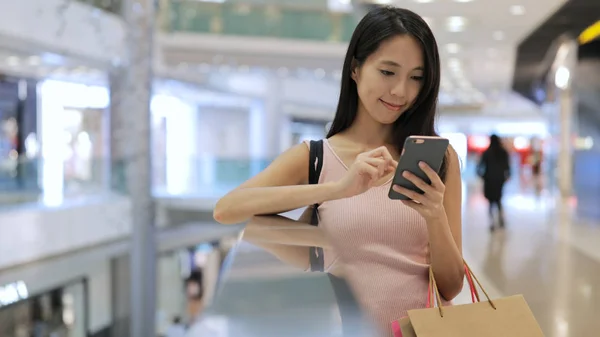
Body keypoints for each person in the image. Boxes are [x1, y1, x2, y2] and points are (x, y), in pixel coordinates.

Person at [213, 6, 464, 336]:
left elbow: (451, 286)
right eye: (388, 72)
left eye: (416, 77)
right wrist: (337, 189)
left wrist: (434, 215)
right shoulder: (315, 158)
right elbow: (226, 210)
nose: (400, 92)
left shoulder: (440, 158)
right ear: (356, 69)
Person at [477, 134, 511, 231]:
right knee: (499, 200)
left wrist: (483, 176)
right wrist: (506, 177)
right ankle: (501, 220)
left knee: (491, 202)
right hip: (499, 180)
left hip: (489, 180)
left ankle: (492, 223)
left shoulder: (487, 152)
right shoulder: (503, 152)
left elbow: (479, 167)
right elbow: (507, 166)